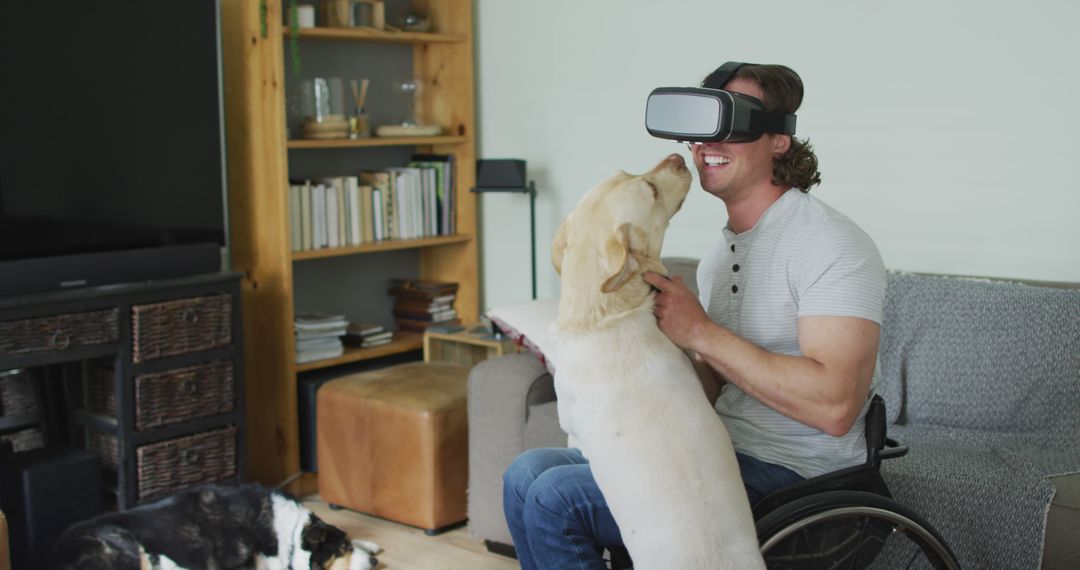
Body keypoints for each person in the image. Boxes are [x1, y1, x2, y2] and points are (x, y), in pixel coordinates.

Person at [502, 63, 886, 569]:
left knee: (557, 496)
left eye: (734, 124)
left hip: (798, 475)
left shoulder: (830, 244)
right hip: (717, 448)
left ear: (779, 141)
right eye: (703, 128)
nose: (707, 144)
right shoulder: (718, 256)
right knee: (525, 475)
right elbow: (708, 389)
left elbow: (836, 407)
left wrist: (701, 332)